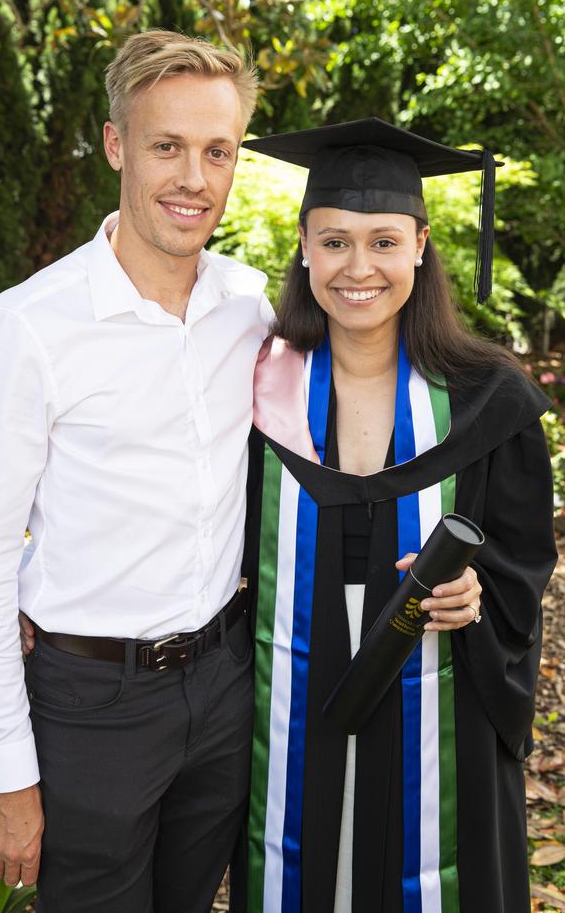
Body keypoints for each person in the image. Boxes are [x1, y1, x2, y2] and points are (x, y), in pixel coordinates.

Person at [0, 29, 274, 913]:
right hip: (90, 706)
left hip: (223, 681)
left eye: (217, 151)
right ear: (117, 144)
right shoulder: (24, 331)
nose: (194, 179)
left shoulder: (249, 306)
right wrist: (8, 773)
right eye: (167, 146)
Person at [237, 118, 557, 913]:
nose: (359, 268)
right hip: (291, 692)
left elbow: (522, 567)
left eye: (383, 242)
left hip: (438, 703)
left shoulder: (491, 401)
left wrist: (477, 594)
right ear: (303, 247)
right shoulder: (249, 392)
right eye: (335, 242)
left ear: (420, 245)